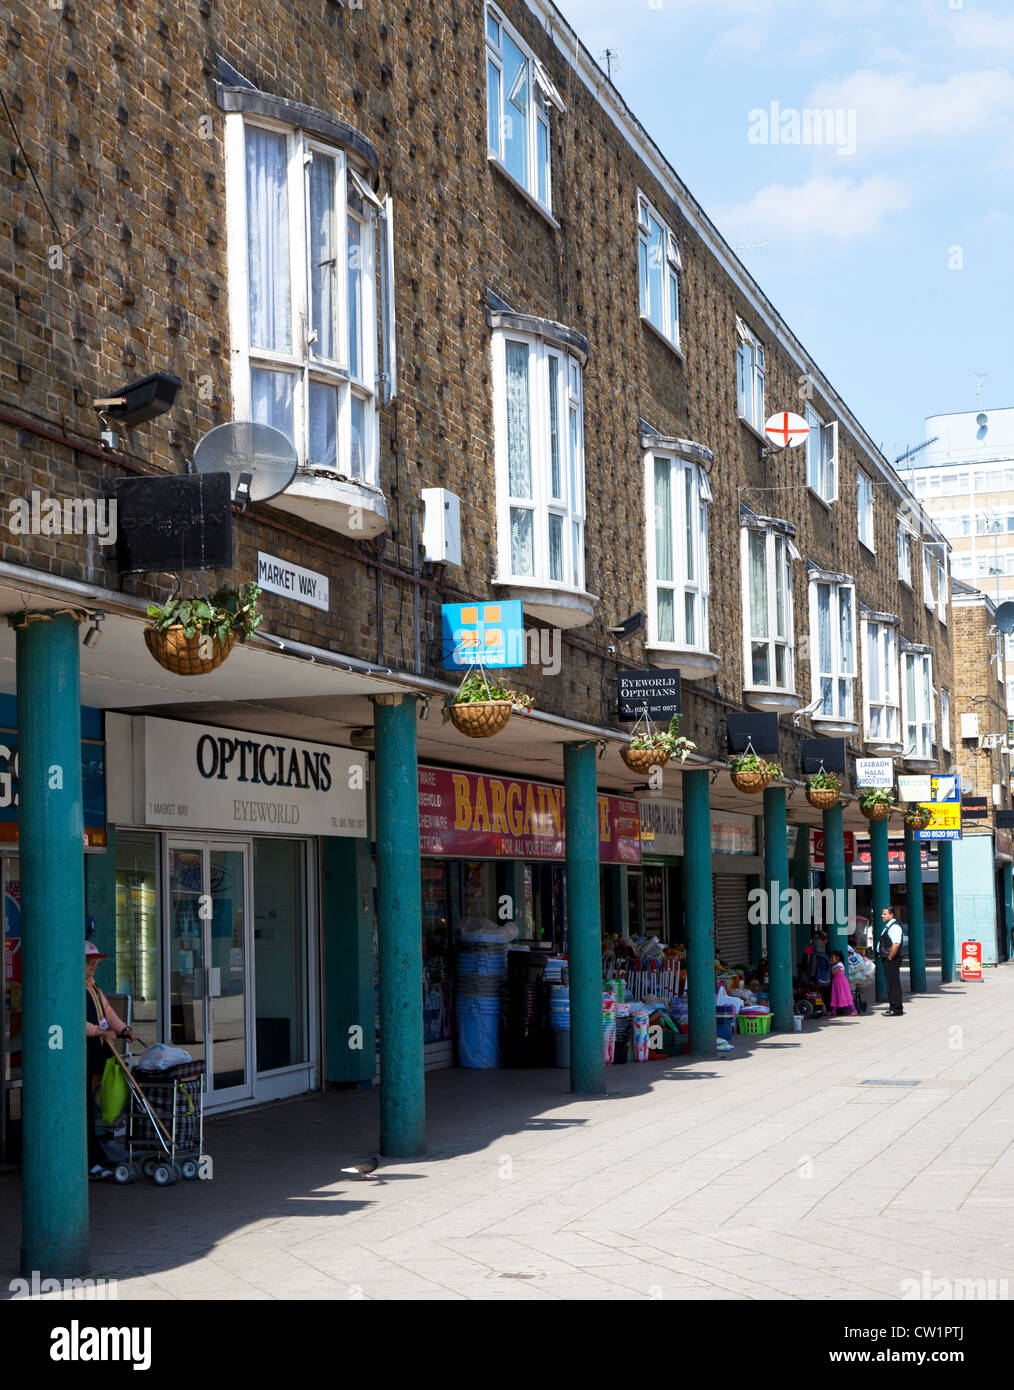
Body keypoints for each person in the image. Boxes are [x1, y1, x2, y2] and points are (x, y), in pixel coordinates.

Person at [85, 941, 135, 1180]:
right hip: (85, 1057)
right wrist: (97, 1031)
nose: (94, 965)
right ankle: (91, 1161)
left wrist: (124, 1029)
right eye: (89, 961)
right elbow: (72, 1018)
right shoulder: (73, 988)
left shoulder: (93, 988)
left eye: (96, 961)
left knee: (94, 1108)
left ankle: (96, 1154)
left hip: (99, 1055)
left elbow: (109, 1013)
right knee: (85, 1111)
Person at [879, 906, 904, 1016]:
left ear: (891, 915)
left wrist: (889, 957)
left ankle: (896, 1008)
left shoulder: (894, 927)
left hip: (892, 959)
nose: (882, 916)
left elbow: (896, 944)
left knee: (893, 984)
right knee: (891, 983)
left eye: (884, 914)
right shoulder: (889, 926)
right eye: (882, 913)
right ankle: (893, 1007)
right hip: (888, 958)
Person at [828, 950, 856, 1016]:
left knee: (845, 995)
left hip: (841, 983)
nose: (831, 959)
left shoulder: (840, 964)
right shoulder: (836, 965)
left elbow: (833, 972)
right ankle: (833, 1011)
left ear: (838, 958)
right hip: (836, 982)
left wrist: (829, 965)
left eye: (832, 958)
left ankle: (854, 1010)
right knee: (835, 995)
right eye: (830, 958)